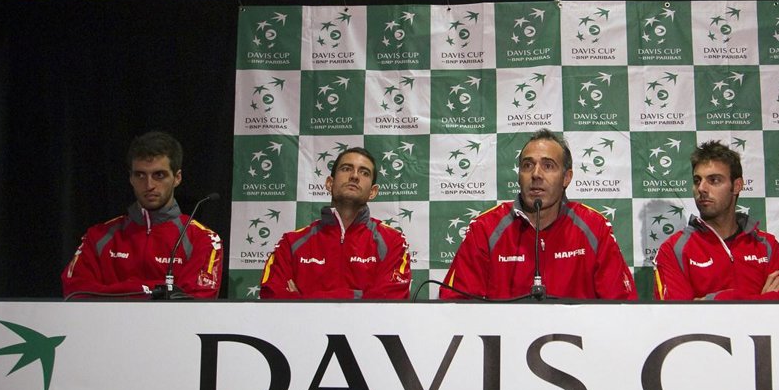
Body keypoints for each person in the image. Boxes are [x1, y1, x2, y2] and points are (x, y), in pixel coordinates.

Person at [440, 129, 636, 300]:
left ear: (566, 178)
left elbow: (623, 306)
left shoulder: (595, 227)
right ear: (519, 175)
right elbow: (455, 306)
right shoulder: (484, 229)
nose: (536, 174)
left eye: (548, 166)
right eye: (527, 165)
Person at [62, 131, 223, 298]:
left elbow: (196, 303)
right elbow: (75, 293)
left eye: (159, 175)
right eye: (140, 175)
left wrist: (114, 292)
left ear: (177, 178)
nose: (149, 185)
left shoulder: (204, 240)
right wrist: (156, 292)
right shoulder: (97, 236)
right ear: (130, 178)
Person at [654, 140, 779, 301]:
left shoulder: (767, 245)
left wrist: (715, 301)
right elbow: (677, 314)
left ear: (737, 186)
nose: (701, 188)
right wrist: (765, 300)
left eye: (714, 180)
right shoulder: (673, 250)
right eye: (697, 180)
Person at [261, 147, 411, 299]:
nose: (354, 176)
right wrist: (362, 296)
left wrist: (304, 300)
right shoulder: (290, 243)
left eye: (364, 173)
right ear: (329, 183)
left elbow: (389, 302)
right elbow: (272, 297)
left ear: (373, 192)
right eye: (346, 169)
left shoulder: (393, 241)